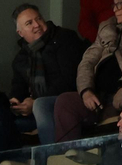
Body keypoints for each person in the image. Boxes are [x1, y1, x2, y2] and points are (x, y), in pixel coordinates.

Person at [57, 0, 122, 142]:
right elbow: (87, 61)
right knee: (65, 102)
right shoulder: (107, 26)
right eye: (114, 5)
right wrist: (86, 91)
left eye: (120, 4)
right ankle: (68, 156)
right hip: (100, 97)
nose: (115, 9)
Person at [9, 5, 88, 144]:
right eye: (29, 23)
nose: (37, 25)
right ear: (20, 33)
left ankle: (52, 157)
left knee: (40, 105)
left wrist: (34, 102)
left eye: (39, 19)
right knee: (3, 120)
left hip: (67, 100)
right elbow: (18, 85)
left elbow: (69, 79)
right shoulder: (21, 58)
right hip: (36, 106)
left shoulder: (65, 37)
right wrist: (16, 101)